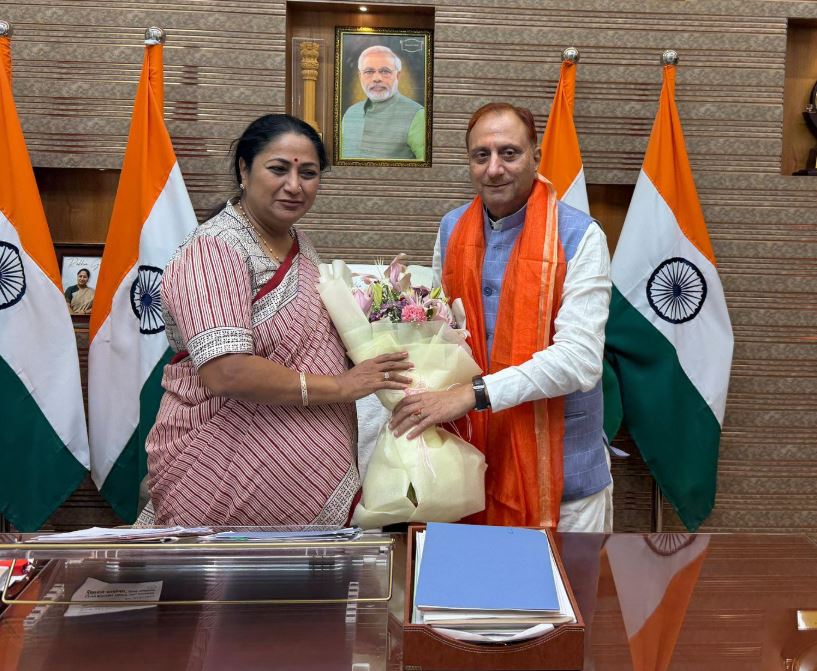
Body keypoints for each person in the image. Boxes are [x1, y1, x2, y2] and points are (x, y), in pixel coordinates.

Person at [145, 114, 412, 527]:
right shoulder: (215, 250)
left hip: (308, 469)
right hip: (220, 472)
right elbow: (226, 371)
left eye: (308, 173)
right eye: (278, 169)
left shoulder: (299, 244)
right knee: (222, 589)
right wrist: (343, 385)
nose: (294, 185)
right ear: (244, 169)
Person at [390, 102, 614, 532]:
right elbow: (442, 335)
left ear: (536, 156)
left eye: (509, 153)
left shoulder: (580, 234)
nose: (494, 169)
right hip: (469, 469)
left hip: (563, 477)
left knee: (564, 599)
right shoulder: (452, 228)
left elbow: (580, 360)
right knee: (469, 598)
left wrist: (471, 394)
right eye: (481, 155)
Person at [340, 45, 425, 160]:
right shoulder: (350, 113)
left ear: (398, 76)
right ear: (360, 76)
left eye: (385, 71)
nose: (376, 78)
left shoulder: (418, 115)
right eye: (369, 71)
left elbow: (429, 172)